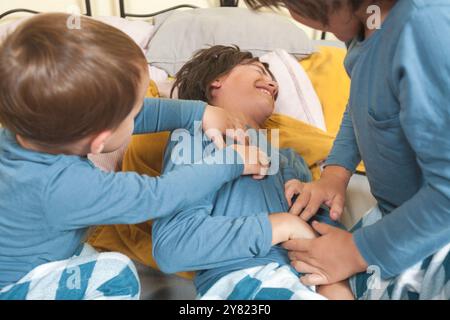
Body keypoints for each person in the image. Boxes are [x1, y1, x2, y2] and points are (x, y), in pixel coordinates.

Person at [0, 14, 269, 300]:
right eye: (133, 112)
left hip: (30, 256)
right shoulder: (65, 186)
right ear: (100, 140)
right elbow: (160, 195)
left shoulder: (30, 129)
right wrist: (230, 161)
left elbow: (135, 114)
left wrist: (199, 112)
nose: (140, 114)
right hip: (18, 286)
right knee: (116, 273)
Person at [244, 0, 450, 299]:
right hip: (399, 215)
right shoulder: (366, 27)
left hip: (436, 224)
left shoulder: (424, 26)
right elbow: (363, 107)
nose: (293, 14)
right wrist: (335, 175)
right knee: (317, 273)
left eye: (293, 4)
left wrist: (356, 251)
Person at [152, 45, 354, 300]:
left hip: (311, 280)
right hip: (244, 280)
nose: (272, 83)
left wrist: (336, 286)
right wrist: (283, 225)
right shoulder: (196, 135)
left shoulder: (291, 158)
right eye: (259, 70)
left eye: (274, 80)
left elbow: (326, 245)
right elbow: (173, 246)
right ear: (216, 81)